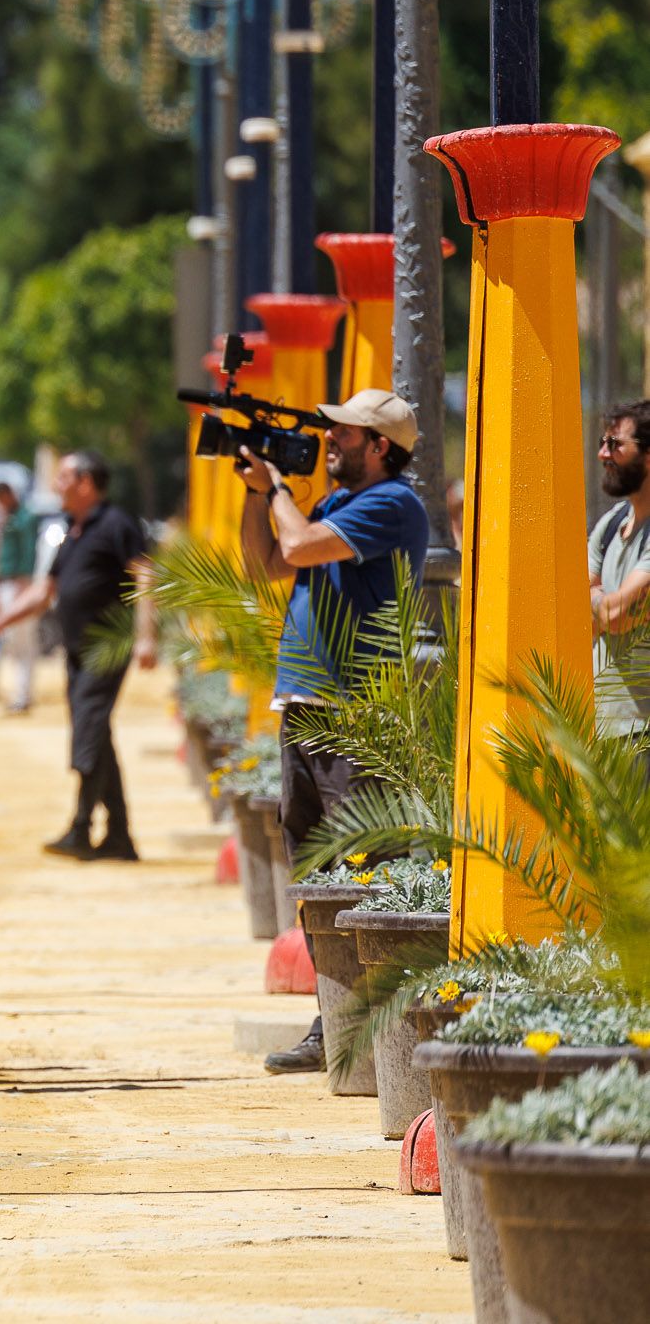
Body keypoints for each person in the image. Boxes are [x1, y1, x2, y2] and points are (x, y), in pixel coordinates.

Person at [234, 387, 429, 1074]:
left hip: (356, 716)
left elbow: (298, 544)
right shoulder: (335, 504)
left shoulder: (392, 503)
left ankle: (376, 1030)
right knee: (316, 873)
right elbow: (267, 562)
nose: (330, 440)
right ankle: (335, 1022)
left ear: (380, 446)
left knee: (362, 869)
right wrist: (256, 493)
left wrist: (279, 490)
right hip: (306, 706)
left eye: (344, 433)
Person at [0, 450, 157, 860]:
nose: (56, 485)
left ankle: (81, 827)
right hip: (76, 652)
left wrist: (146, 636)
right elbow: (45, 591)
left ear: (85, 483)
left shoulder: (116, 524)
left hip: (106, 649)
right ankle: (119, 836)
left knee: (88, 733)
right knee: (97, 737)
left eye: (63, 478)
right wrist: (0, 622)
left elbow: (146, 574)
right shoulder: (73, 529)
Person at [588, 398, 650, 782]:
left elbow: (615, 616)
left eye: (615, 444)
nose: (603, 454)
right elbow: (576, 608)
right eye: (602, 442)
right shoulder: (611, 524)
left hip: (644, 735)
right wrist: (604, 603)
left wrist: (598, 600)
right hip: (601, 729)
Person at [0, 481, 41, 711]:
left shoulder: (25, 518)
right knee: (12, 643)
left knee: (23, 642)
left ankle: (23, 694)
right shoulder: (4, 518)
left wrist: (25, 582)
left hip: (20, 584)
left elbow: (29, 551)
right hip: (5, 584)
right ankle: (18, 692)